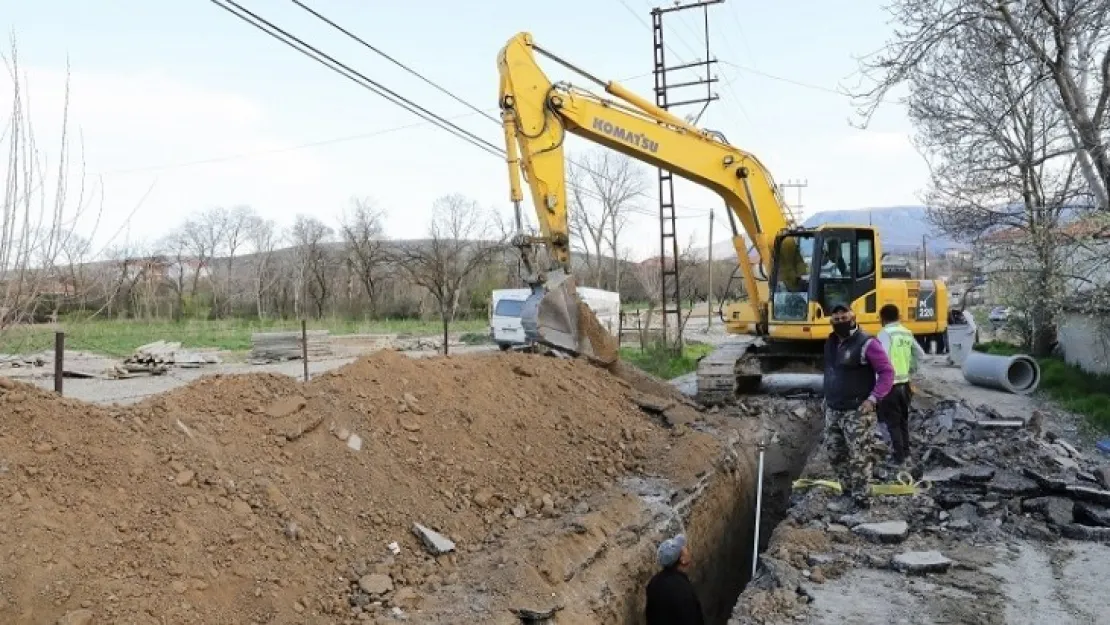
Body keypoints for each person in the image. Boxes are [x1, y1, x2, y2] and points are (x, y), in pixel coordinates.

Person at [823, 304, 894, 507]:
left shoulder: (867, 343)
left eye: (844, 316)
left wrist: (873, 399)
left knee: (859, 456)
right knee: (835, 453)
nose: (840, 321)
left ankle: (861, 500)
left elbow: (887, 372)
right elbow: (830, 372)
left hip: (857, 411)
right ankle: (846, 492)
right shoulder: (830, 343)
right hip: (833, 409)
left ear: (853, 317)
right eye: (835, 319)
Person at [876, 304, 926, 465]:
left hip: (890, 386)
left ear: (882, 318)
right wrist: (910, 369)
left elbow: (880, 359)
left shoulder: (885, 334)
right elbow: (920, 355)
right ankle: (906, 454)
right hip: (905, 385)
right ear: (898, 316)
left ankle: (899, 459)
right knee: (903, 421)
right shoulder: (906, 332)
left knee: (892, 423)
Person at [645, 534, 705, 625]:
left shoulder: (654, 582)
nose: (686, 549)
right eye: (683, 549)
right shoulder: (683, 590)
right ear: (682, 560)